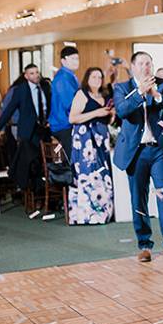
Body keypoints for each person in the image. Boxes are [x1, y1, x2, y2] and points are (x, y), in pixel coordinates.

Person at [112, 52, 163, 262]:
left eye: (149, 63)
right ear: (133, 67)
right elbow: (122, 111)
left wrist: (157, 95)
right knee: (138, 198)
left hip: (159, 150)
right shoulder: (122, 88)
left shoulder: (160, 84)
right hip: (136, 151)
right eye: (141, 63)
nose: (146, 67)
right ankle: (144, 245)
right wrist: (139, 93)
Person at [0, 65, 51, 193]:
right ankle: (33, 191)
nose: (35, 75)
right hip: (28, 131)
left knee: (44, 160)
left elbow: (50, 106)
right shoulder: (20, 90)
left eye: (37, 72)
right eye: (31, 73)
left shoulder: (45, 87)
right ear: (26, 76)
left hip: (44, 130)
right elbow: (9, 110)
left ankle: (42, 193)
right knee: (32, 162)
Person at [67, 67, 115, 225]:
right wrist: (97, 113)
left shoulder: (104, 95)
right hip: (85, 140)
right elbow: (72, 118)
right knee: (88, 174)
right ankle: (86, 214)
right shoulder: (82, 94)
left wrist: (110, 115)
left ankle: (103, 213)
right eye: (94, 76)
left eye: (100, 77)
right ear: (87, 78)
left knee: (103, 174)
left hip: (101, 139)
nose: (97, 79)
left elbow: (107, 120)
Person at [49, 46, 80, 161]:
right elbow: (70, 104)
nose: (76, 61)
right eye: (73, 58)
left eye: (77, 58)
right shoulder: (62, 78)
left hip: (67, 123)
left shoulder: (70, 76)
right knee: (73, 161)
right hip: (64, 125)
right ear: (63, 60)